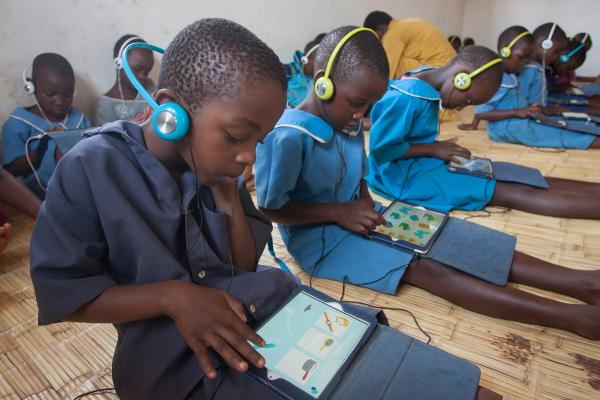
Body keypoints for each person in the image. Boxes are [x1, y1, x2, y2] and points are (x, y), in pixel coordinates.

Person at [255, 27, 600, 342]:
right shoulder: (286, 138)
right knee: (424, 266)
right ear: (322, 83)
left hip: (357, 213)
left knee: (446, 233)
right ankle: (571, 317)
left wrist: (361, 203)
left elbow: (359, 174)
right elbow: (270, 209)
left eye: (366, 107)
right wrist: (338, 212)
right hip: (320, 240)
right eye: (357, 104)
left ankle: (580, 281)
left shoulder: (347, 120)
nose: (361, 115)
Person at [2, 53, 91, 197]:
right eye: (50, 93)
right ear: (31, 87)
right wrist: (42, 148)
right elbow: (10, 172)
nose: (59, 101)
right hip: (38, 196)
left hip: (78, 191)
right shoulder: (18, 123)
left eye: (67, 95)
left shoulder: (80, 119)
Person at [363, 10, 456, 79]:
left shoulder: (392, 34)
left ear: (380, 29)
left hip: (439, 69)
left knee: (389, 66)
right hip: (452, 66)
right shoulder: (408, 23)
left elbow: (387, 71)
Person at [95, 34, 156, 125]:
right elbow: (108, 138)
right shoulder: (106, 105)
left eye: (147, 71)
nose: (143, 76)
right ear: (119, 63)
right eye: (138, 69)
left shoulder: (151, 90)